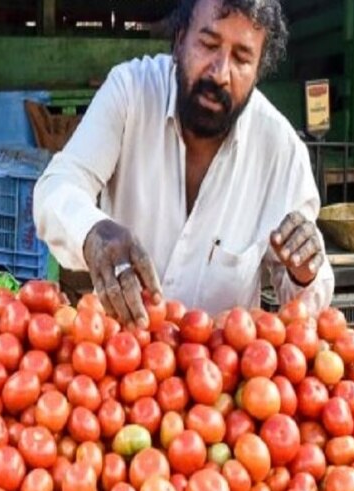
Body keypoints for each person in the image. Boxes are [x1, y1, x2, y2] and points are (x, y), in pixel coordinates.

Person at [33, 0, 334, 328]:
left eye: (242, 58)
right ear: (179, 41)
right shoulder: (130, 92)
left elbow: (307, 307)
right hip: (118, 366)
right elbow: (57, 186)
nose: (220, 73)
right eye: (208, 45)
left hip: (223, 373)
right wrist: (92, 232)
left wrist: (303, 272)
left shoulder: (280, 150)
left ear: (259, 69)